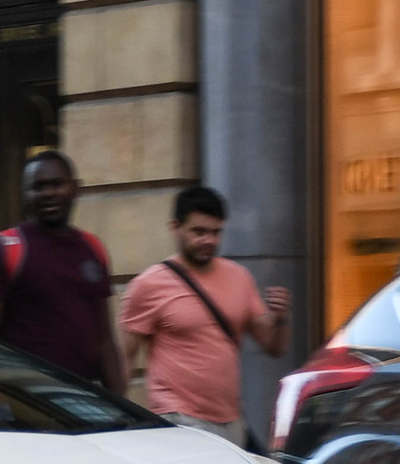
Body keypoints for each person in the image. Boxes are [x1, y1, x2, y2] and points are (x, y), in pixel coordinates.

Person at [118, 183, 291, 445]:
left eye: (215, 232)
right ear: (175, 228)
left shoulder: (239, 277)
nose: (208, 240)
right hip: (178, 418)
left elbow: (273, 346)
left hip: (231, 422)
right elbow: (123, 358)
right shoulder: (148, 285)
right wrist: (115, 419)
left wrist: (280, 319)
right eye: (198, 232)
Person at [0, 151, 128, 393]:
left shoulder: (93, 248)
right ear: (25, 195)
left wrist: (122, 406)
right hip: (30, 404)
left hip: (87, 400)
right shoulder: (3, 249)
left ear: (75, 188)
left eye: (57, 184)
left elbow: (105, 340)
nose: (48, 193)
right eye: (38, 187)